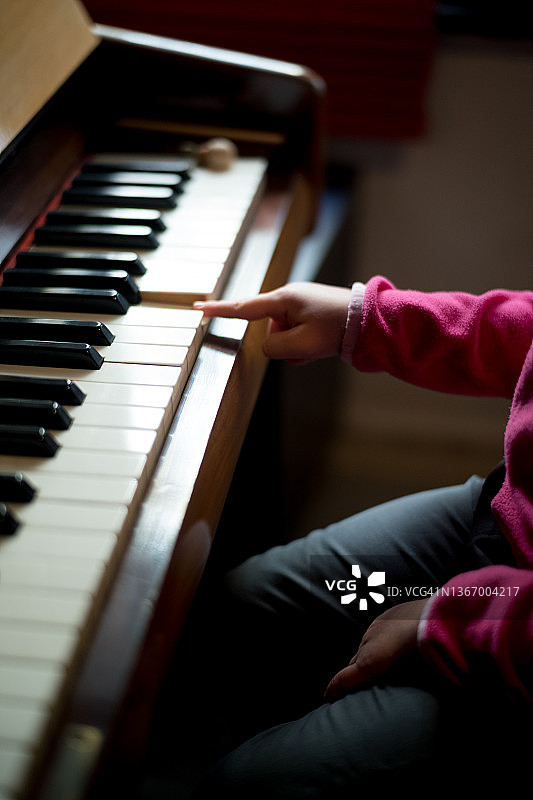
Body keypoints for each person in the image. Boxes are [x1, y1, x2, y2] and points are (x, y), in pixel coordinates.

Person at [186, 276, 533, 798]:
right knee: (250, 603)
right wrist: (369, 319)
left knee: (239, 787)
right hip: (506, 518)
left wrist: (448, 619)